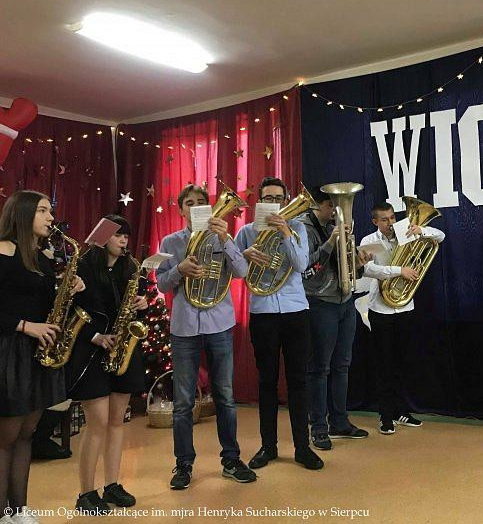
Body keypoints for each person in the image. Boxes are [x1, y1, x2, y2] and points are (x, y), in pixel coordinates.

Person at [156, 184, 255, 490]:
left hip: (219, 324)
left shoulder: (222, 236)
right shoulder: (170, 242)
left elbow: (241, 272)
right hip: (184, 327)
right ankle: (183, 463)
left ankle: (231, 459)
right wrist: (179, 270)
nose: (196, 206)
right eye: (190, 202)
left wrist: (226, 240)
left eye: (202, 202)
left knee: (225, 396)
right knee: (183, 402)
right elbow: (161, 283)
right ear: (181, 210)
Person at [0, 190, 84, 524]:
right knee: (6, 437)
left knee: (27, 434)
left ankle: (19, 510)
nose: (50, 217)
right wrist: (25, 326)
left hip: (37, 353)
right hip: (9, 351)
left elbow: (48, 304)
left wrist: (68, 286)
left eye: (50, 210)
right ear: (22, 213)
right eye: (42, 210)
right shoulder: (3, 250)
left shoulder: (42, 258)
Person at [234, 177, 323, 471]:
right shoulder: (247, 232)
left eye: (278, 198)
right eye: (268, 199)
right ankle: (268, 446)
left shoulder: (297, 228)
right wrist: (244, 255)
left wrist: (285, 232)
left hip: (296, 311)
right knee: (267, 382)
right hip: (263, 313)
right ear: (259, 201)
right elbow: (236, 271)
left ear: (286, 201)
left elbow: (300, 265)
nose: (273, 203)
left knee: (298, 380)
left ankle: (302, 447)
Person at [67, 215, 148, 512]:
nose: (124, 240)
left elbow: (133, 308)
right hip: (91, 351)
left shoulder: (130, 268)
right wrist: (96, 336)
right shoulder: (83, 267)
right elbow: (72, 310)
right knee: (98, 423)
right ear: (102, 237)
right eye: (118, 235)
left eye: (126, 235)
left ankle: (112, 484)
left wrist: (142, 305)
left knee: (117, 421)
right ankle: (86, 493)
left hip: (122, 350)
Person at [359, 202, 445, 435]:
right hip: (380, 309)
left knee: (403, 363)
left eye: (392, 218)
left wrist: (421, 230)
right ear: (375, 221)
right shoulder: (369, 241)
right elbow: (367, 270)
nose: (390, 223)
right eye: (384, 219)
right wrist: (399, 271)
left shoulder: (404, 233)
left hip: (405, 306)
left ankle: (401, 411)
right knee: (384, 365)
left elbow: (440, 236)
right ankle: (385, 416)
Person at [298, 187, 369, 451]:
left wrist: (358, 263)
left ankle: (339, 421)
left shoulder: (334, 226)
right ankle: (318, 427)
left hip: (344, 301)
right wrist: (330, 242)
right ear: (319, 205)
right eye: (332, 206)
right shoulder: (304, 229)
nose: (338, 212)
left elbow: (348, 269)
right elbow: (308, 270)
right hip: (320, 303)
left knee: (342, 365)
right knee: (319, 368)